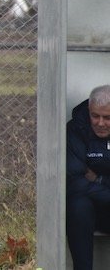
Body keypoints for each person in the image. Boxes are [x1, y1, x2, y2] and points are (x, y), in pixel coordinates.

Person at [67, 84, 110, 270]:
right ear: (88, 111)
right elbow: (75, 181)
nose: (100, 123)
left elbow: (87, 179)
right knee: (78, 205)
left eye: (108, 117)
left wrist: (99, 179)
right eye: (95, 116)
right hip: (88, 209)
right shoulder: (75, 130)